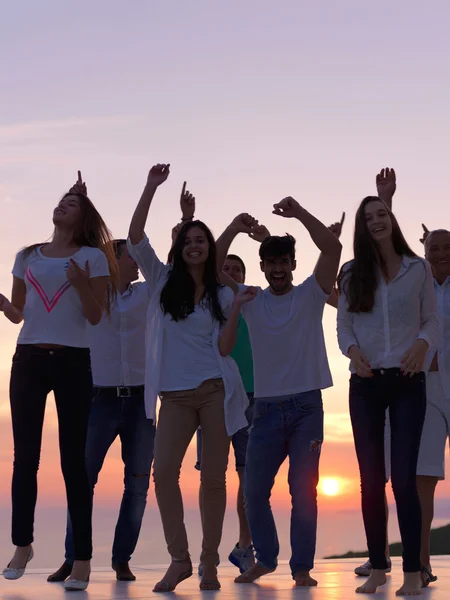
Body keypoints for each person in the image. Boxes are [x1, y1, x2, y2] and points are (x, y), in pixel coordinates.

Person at [127, 163, 255, 592]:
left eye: (201, 241)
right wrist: (150, 187)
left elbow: (223, 348)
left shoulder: (223, 292)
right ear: (179, 246)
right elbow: (136, 239)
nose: (195, 246)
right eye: (188, 240)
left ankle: (209, 564)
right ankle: (179, 559)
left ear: (209, 248)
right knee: (162, 472)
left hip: (215, 391)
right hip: (175, 397)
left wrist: (235, 309)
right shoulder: (162, 280)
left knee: (214, 480)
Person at [1, 172, 118, 592]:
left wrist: (81, 283)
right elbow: (19, 313)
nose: (61, 205)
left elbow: (96, 315)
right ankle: (22, 545)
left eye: (71, 203)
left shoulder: (94, 257)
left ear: (83, 216)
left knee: (74, 462)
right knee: (24, 458)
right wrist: (3, 305)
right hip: (29, 358)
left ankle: (82, 559)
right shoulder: (27, 255)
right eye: (61, 200)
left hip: (73, 362)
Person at [217, 196, 342, 587]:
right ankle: (266, 559)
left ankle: (301, 567)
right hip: (266, 410)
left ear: (292, 264)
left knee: (303, 494)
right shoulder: (252, 300)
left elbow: (333, 248)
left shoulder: (311, 293)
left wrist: (300, 212)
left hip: (307, 407)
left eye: (283, 262)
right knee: (254, 491)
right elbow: (210, 267)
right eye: (270, 263)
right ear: (263, 267)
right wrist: (236, 228)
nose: (277, 269)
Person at [337, 196, 440, 595]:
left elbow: (431, 319)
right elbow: (343, 326)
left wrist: (422, 344)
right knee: (370, 481)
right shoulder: (350, 273)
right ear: (361, 228)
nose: (376, 222)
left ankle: (413, 574)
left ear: (392, 219)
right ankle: (379, 569)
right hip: (364, 384)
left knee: (403, 480)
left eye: (381, 214)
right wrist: (353, 351)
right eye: (368, 218)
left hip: (408, 381)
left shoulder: (418, 269)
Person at [48, 238, 155, 584]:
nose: (137, 263)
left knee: (138, 484)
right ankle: (73, 558)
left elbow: (172, 271)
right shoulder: (90, 296)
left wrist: (184, 221)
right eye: (131, 257)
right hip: (98, 400)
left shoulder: (146, 294)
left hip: (140, 401)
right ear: (113, 260)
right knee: (82, 481)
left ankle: (122, 560)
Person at [195, 242, 268, 576]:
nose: (231, 273)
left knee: (248, 475)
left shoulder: (253, 302)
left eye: (237, 269)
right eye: (225, 268)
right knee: (212, 476)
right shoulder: (207, 305)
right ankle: (208, 550)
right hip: (213, 393)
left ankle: (244, 545)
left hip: (252, 396)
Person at [415, 227, 450, 586]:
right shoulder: (416, 285)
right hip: (426, 390)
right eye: (433, 248)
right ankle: (421, 564)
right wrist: (387, 201)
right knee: (423, 477)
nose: (440, 253)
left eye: (446, 247)